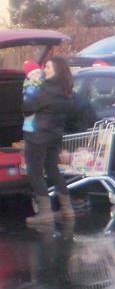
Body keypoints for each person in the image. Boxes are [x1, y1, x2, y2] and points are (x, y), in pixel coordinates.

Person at [21, 57, 77, 225]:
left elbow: (27, 107)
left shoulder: (45, 88)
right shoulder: (65, 91)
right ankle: (67, 210)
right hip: (54, 136)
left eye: (48, 67)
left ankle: (45, 213)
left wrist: (30, 90)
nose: (45, 70)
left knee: (35, 173)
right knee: (53, 171)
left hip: (37, 136)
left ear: (57, 70)